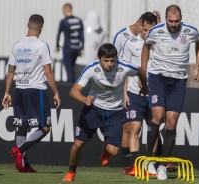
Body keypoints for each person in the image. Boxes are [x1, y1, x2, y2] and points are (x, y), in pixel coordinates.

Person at [61, 43, 148, 182]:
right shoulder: (91, 69)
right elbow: (73, 91)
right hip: (93, 109)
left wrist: (145, 87)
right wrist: (84, 99)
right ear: (99, 59)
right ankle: (71, 171)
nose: (109, 64)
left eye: (112, 60)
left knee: (114, 151)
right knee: (78, 144)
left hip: (115, 113)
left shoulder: (123, 67)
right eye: (105, 61)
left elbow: (141, 71)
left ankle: (106, 148)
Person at [140, 5, 199, 180]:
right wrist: (142, 72)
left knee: (172, 120)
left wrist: (197, 67)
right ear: (166, 18)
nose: (173, 24)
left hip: (178, 80)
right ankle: (149, 160)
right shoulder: (156, 31)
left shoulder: (191, 31)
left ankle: (162, 165)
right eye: (170, 21)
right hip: (158, 78)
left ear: (181, 18)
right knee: (158, 115)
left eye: (176, 21)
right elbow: (146, 48)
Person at [2, 14, 61, 173]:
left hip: (19, 90)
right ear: (41, 28)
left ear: (27, 26)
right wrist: (56, 92)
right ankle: (20, 151)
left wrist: (7, 92)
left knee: (22, 127)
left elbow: (10, 71)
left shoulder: (17, 44)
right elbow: (47, 71)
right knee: (45, 127)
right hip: (36, 90)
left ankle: (24, 165)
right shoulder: (41, 45)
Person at [112, 10, 161, 174]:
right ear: (141, 26)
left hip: (154, 93)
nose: (147, 33)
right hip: (134, 93)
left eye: (150, 30)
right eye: (145, 30)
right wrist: (124, 93)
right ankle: (134, 165)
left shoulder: (159, 43)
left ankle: (152, 164)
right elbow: (124, 71)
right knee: (134, 129)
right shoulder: (131, 44)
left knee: (153, 130)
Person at [56, 3, 84, 83]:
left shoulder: (64, 21)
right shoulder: (79, 20)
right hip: (76, 48)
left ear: (65, 10)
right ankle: (74, 85)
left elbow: (58, 34)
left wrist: (57, 45)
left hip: (68, 48)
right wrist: (82, 47)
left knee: (68, 70)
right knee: (72, 69)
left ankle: (71, 88)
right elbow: (82, 35)